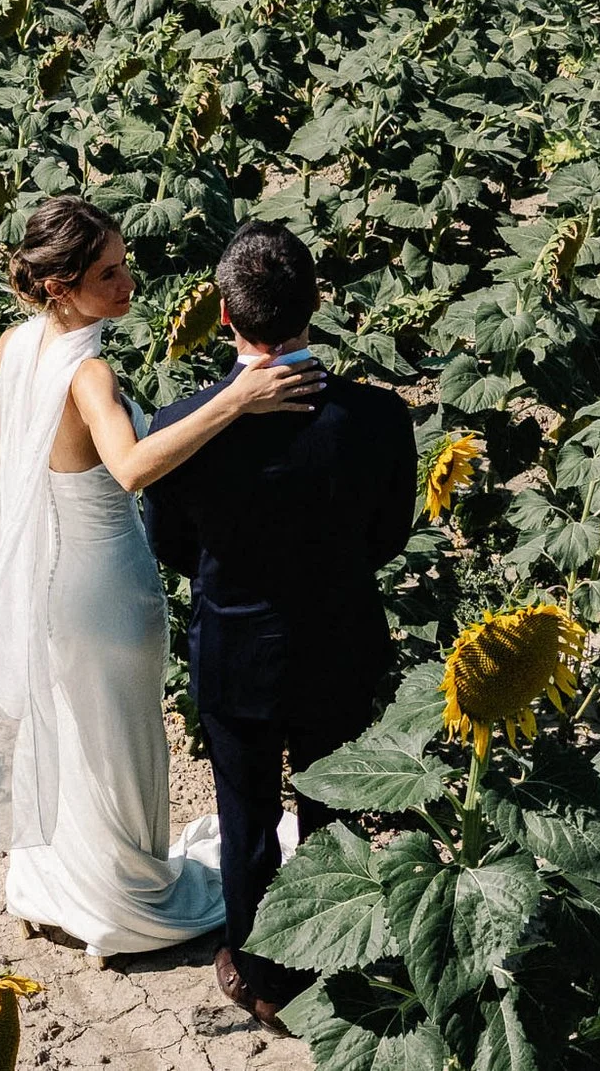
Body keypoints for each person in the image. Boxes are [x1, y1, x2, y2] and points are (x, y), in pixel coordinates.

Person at [0, 195, 327, 966]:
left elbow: (9, 468)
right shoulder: (89, 374)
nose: (129, 281)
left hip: (49, 579)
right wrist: (237, 396)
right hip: (105, 584)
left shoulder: (13, 347)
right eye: (109, 271)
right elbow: (130, 468)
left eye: (125, 262)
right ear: (61, 284)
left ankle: (62, 883)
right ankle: (127, 901)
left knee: (72, 736)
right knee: (124, 746)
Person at [144, 220, 417, 1032]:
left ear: (224, 317)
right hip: (341, 640)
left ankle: (260, 973)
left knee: (247, 815)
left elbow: (172, 546)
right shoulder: (377, 417)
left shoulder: (181, 428)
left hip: (237, 645)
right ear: (317, 304)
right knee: (334, 809)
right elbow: (389, 534)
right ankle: (338, 953)